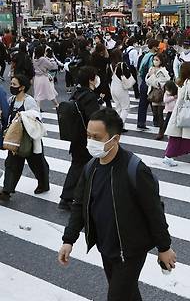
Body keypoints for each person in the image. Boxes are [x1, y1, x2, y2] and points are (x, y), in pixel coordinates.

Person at [58, 108, 176, 301]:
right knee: (127, 294)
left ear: (115, 139)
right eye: (88, 136)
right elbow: (80, 204)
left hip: (130, 250)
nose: (91, 141)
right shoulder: (91, 167)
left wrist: (164, 247)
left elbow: (154, 211)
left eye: (97, 137)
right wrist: (69, 239)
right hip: (106, 245)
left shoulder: (135, 169)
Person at [0, 75, 50, 201]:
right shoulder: (11, 100)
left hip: (29, 139)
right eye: (11, 84)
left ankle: (43, 184)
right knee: (11, 164)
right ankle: (7, 191)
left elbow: (36, 118)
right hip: (15, 139)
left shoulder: (29, 101)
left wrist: (23, 116)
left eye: (14, 84)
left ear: (22, 87)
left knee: (37, 163)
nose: (11, 86)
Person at [60, 67, 103, 209]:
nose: (97, 79)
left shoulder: (77, 93)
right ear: (91, 79)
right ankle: (68, 198)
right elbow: (94, 118)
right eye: (95, 77)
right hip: (85, 139)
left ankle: (70, 197)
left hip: (76, 136)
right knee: (81, 167)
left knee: (79, 166)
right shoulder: (89, 96)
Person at [137, 39, 159, 130]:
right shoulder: (152, 57)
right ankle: (156, 122)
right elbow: (152, 71)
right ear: (154, 47)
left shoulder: (145, 56)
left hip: (143, 82)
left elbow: (140, 69)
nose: (158, 47)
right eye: (157, 46)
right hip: (150, 83)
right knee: (154, 102)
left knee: (143, 104)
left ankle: (140, 122)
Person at [145, 53, 171, 131]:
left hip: (160, 94)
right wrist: (150, 77)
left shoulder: (163, 71)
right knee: (154, 111)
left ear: (161, 61)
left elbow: (160, 84)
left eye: (157, 60)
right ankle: (157, 123)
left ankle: (162, 127)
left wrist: (152, 77)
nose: (154, 61)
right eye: (154, 60)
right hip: (152, 93)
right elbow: (147, 81)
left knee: (159, 112)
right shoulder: (151, 69)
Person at [108, 50, 132, 125]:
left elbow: (108, 78)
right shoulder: (122, 65)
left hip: (112, 87)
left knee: (118, 107)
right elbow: (128, 75)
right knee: (125, 108)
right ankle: (119, 124)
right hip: (121, 87)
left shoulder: (110, 65)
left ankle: (120, 125)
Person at [32, 44, 59, 109]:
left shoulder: (34, 59)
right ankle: (57, 105)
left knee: (38, 94)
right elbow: (51, 66)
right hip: (44, 77)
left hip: (37, 78)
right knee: (49, 92)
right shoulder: (43, 59)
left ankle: (37, 108)